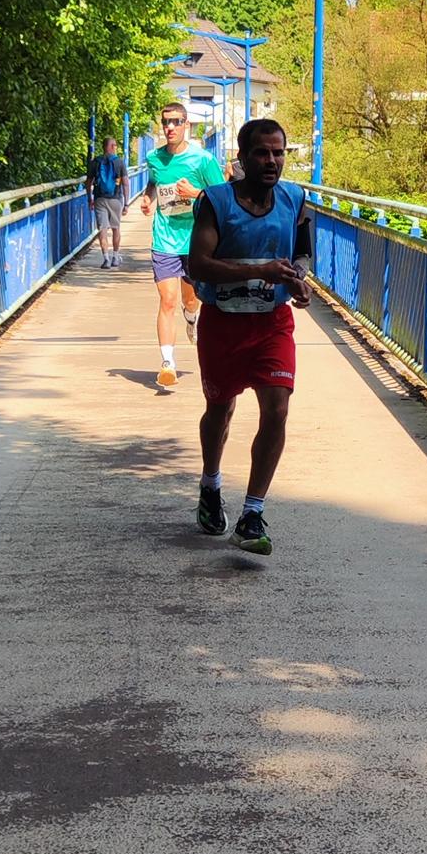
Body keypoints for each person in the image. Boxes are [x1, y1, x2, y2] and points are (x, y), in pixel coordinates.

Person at [186, 117, 311, 557]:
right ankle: (210, 485)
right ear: (242, 157)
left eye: (279, 152)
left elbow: (302, 253)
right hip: (223, 323)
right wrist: (259, 270)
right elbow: (198, 264)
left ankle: (252, 514)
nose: (272, 161)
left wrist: (299, 281)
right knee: (219, 410)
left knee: (277, 409)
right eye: (262, 152)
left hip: (272, 323)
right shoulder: (216, 202)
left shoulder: (295, 199)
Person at [140, 104, 225, 392]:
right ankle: (167, 364)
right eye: (166, 122)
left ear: (186, 125)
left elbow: (223, 198)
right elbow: (154, 182)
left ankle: (191, 317)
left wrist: (195, 193)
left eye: (176, 122)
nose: (170, 127)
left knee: (191, 300)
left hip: (196, 241)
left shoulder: (203, 160)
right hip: (164, 239)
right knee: (167, 300)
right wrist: (148, 198)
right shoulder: (154, 158)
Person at [87, 134, 128, 268]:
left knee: (102, 229)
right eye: (114, 145)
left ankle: (106, 259)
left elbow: (88, 182)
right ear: (110, 146)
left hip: (99, 199)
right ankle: (115, 257)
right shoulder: (119, 162)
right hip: (116, 199)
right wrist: (126, 204)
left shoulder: (95, 162)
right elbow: (125, 183)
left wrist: (89, 199)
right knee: (116, 228)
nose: (116, 147)